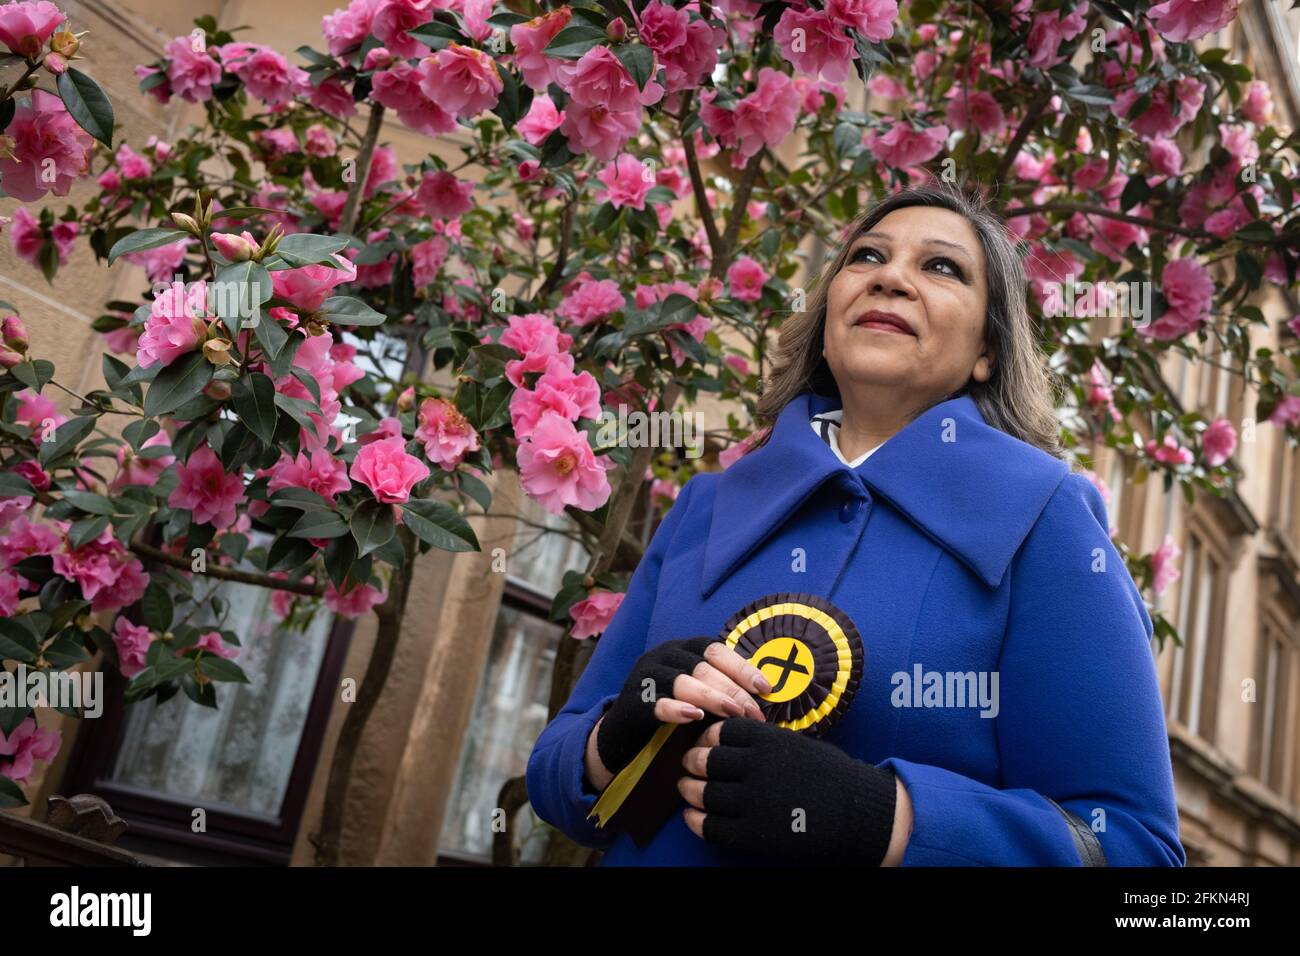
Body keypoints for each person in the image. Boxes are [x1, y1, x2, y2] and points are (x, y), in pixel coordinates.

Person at [525, 184, 1186, 867]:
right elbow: (556, 783)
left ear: (987, 350)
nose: (890, 277)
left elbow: (1133, 848)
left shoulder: (1045, 520)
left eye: (942, 267)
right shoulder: (706, 506)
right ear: (830, 310)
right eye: (867, 256)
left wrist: (887, 820)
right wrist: (613, 739)